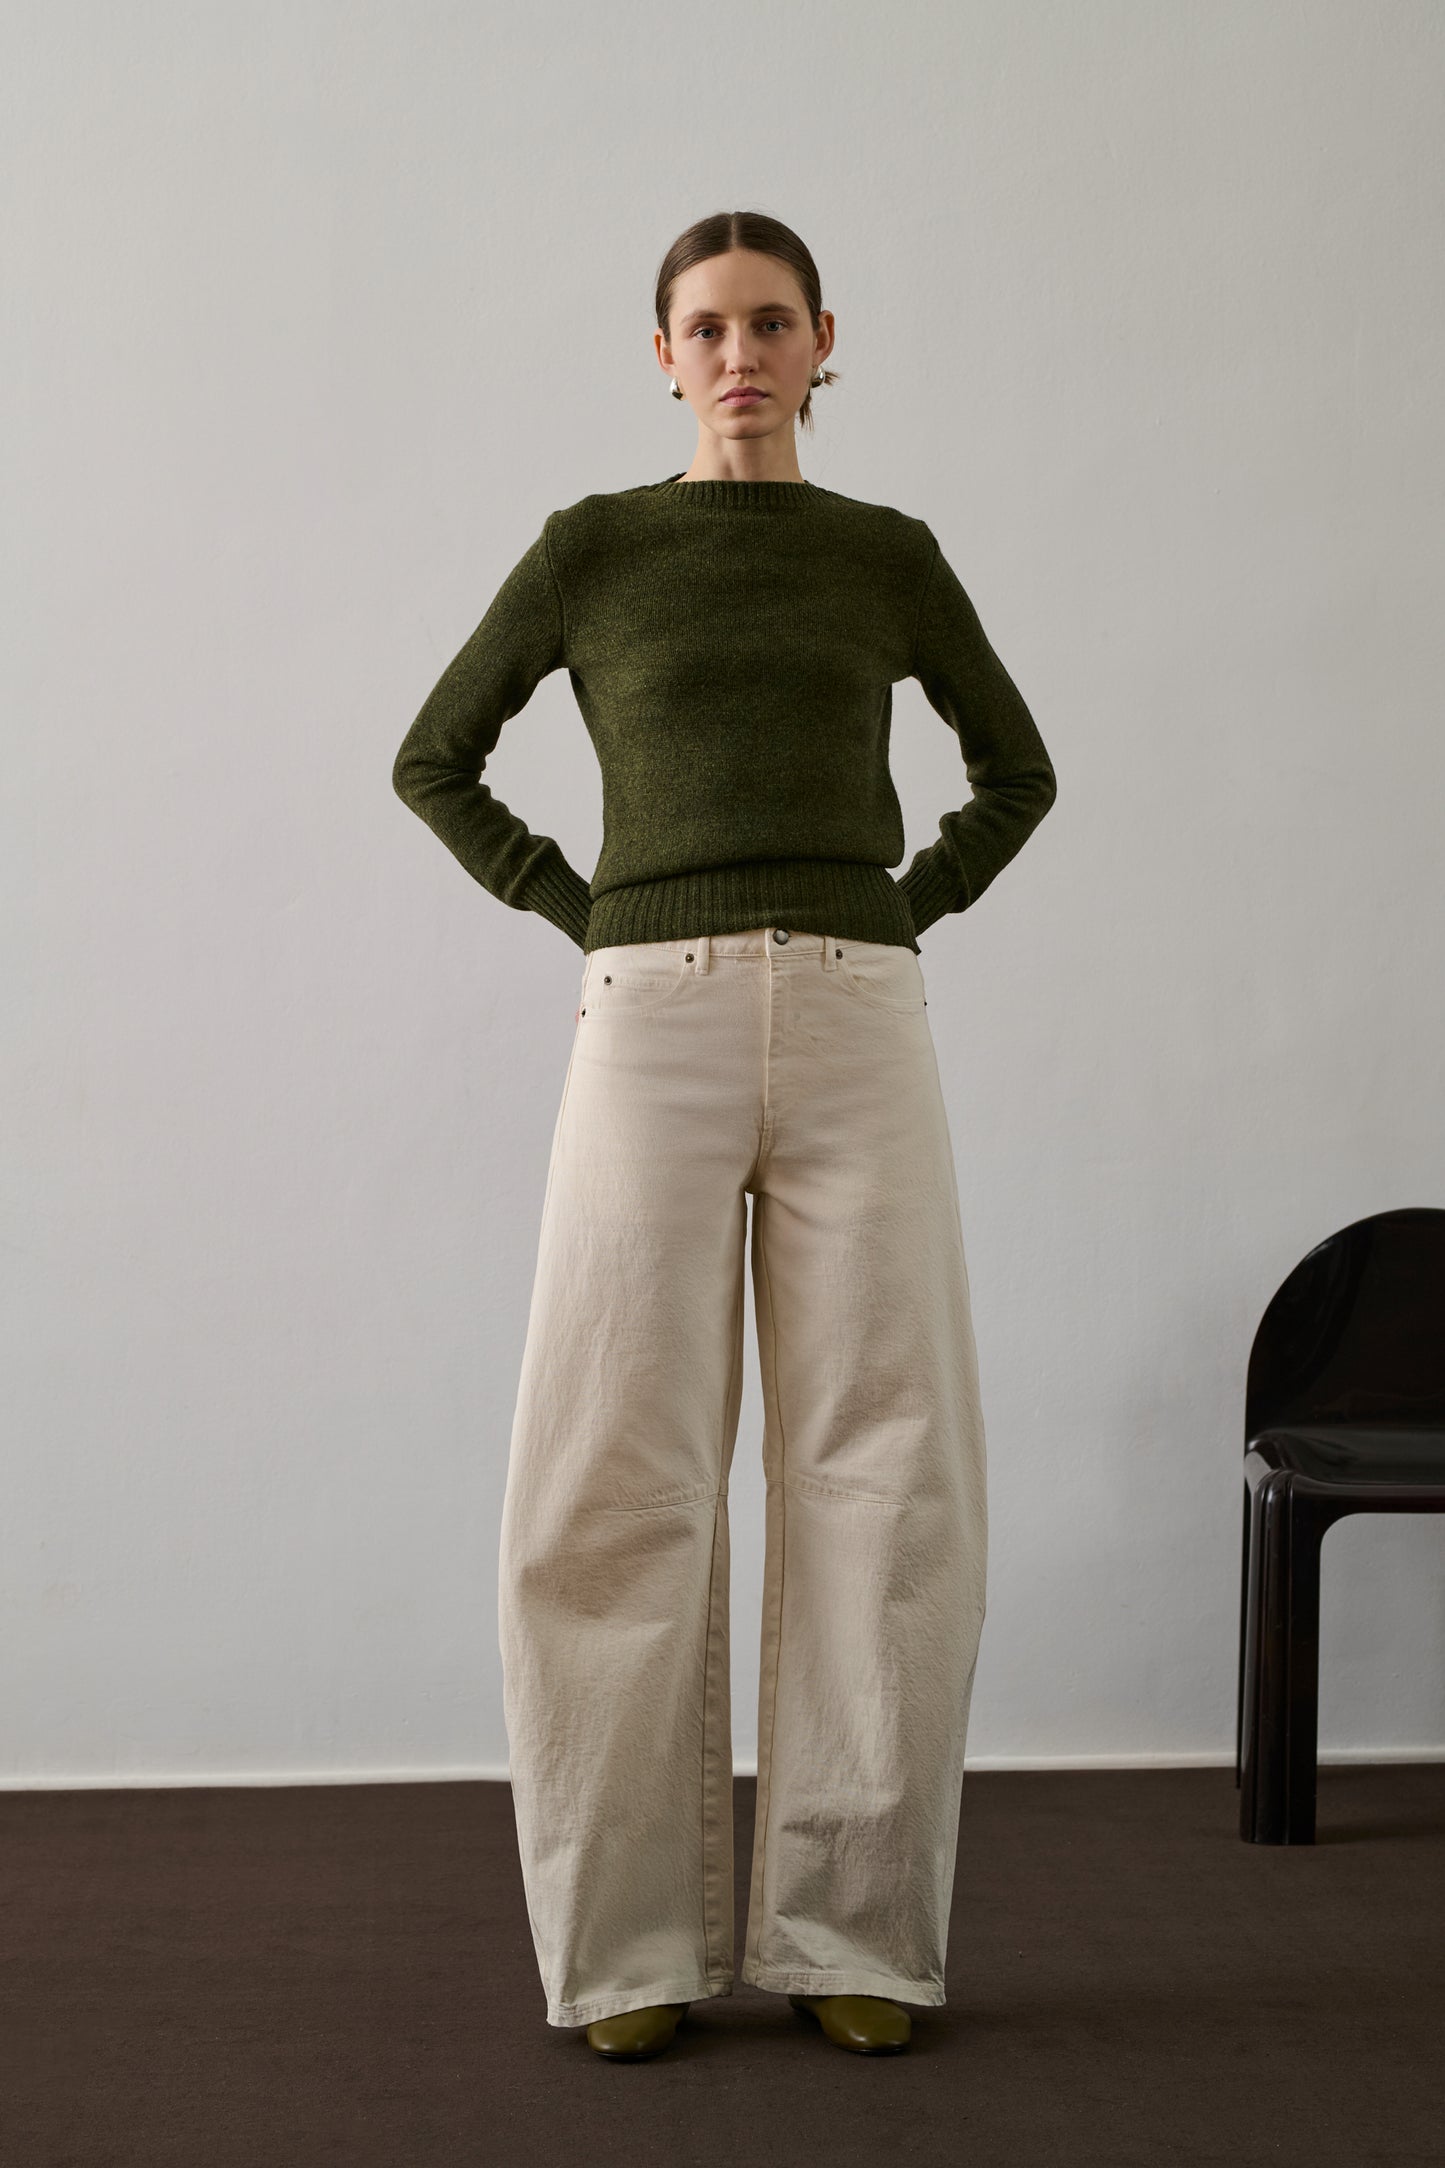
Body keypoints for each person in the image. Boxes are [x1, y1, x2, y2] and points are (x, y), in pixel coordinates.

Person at [392, 209, 1057, 2063]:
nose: (740, 354)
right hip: (651, 1020)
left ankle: (856, 1934)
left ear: (824, 340)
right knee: (611, 1470)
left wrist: (904, 907)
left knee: (884, 1470)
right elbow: (434, 756)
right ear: (662, 354)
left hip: (856, 1015)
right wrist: (581, 907)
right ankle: (626, 1955)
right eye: (706, 326)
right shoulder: (591, 550)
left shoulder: (885, 556)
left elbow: (1017, 771)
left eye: (772, 323)